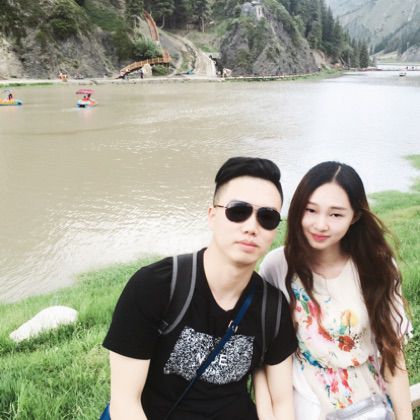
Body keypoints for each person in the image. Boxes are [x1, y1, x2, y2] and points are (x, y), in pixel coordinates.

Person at [103, 157, 298, 420]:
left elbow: (282, 402)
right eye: (238, 211)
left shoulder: (271, 308)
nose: (252, 227)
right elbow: (125, 403)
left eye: (267, 217)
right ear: (212, 216)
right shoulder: (156, 287)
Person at [255, 161, 413, 420]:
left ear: (355, 217)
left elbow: (392, 353)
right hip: (307, 407)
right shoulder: (277, 266)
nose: (320, 225)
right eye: (311, 210)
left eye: (336, 215)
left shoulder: (376, 264)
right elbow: (265, 356)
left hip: (370, 406)